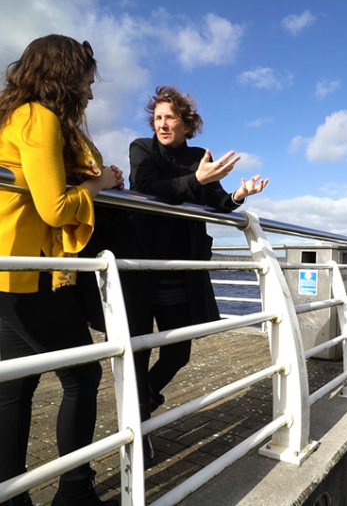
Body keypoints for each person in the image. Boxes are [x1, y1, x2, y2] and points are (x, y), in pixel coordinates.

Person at [0, 35, 123, 506]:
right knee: (82, 377)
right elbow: (54, 207)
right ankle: (74, 492)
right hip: (25, 273)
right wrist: (100, 184)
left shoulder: (18, 114)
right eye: (88, 83)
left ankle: (13, 496)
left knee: (15, 385)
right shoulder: (40, 118)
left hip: (12, 271)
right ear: (67, 77)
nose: (91, 93)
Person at [129, 85, 268, 461]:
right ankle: (135, 432)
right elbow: (147, 188)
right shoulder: (142, 149)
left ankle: (141, 406)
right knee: (137, 354)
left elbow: (217, 203)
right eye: (158, 118)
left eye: (169, 117)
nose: (162, 124)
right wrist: (197, 181)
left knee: (178, 353)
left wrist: (239, 196)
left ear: (187, 123)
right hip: (141, 265)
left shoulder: (197, 157)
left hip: (181, 268)